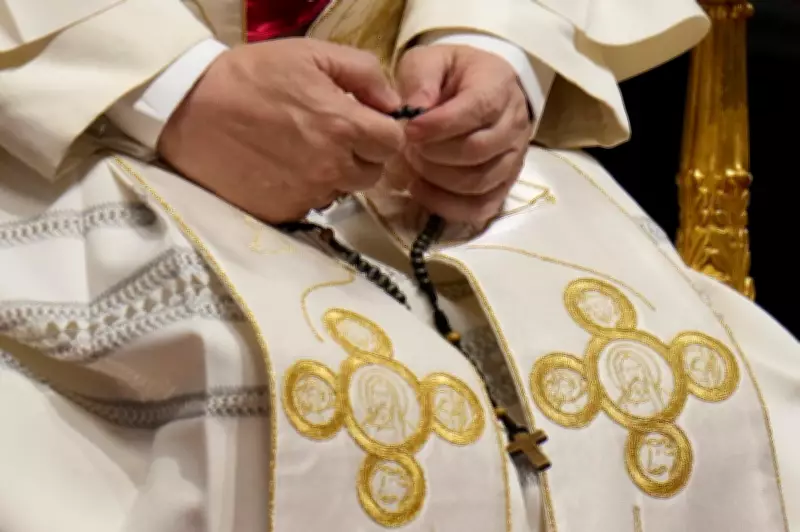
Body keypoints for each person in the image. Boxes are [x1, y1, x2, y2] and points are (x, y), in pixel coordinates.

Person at [0, 0, 797, 531]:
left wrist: (493, 39)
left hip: (420, 133)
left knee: (692, 385)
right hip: (71, 124)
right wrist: (170, 86)